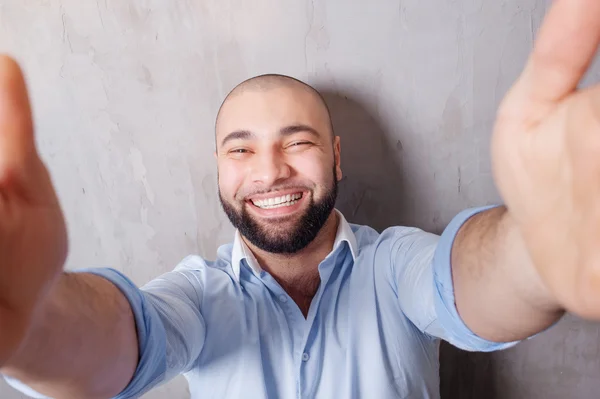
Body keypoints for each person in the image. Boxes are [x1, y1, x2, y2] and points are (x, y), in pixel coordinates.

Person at [1, 1, 600, 398]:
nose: (270, 171)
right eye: (241, 151)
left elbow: (467, 283)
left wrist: (531, 248)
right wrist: (30, 323)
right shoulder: (199, 296)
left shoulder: (393, 266)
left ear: (336, 157)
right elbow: (120, 340)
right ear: (218, 170)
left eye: (298, 142)